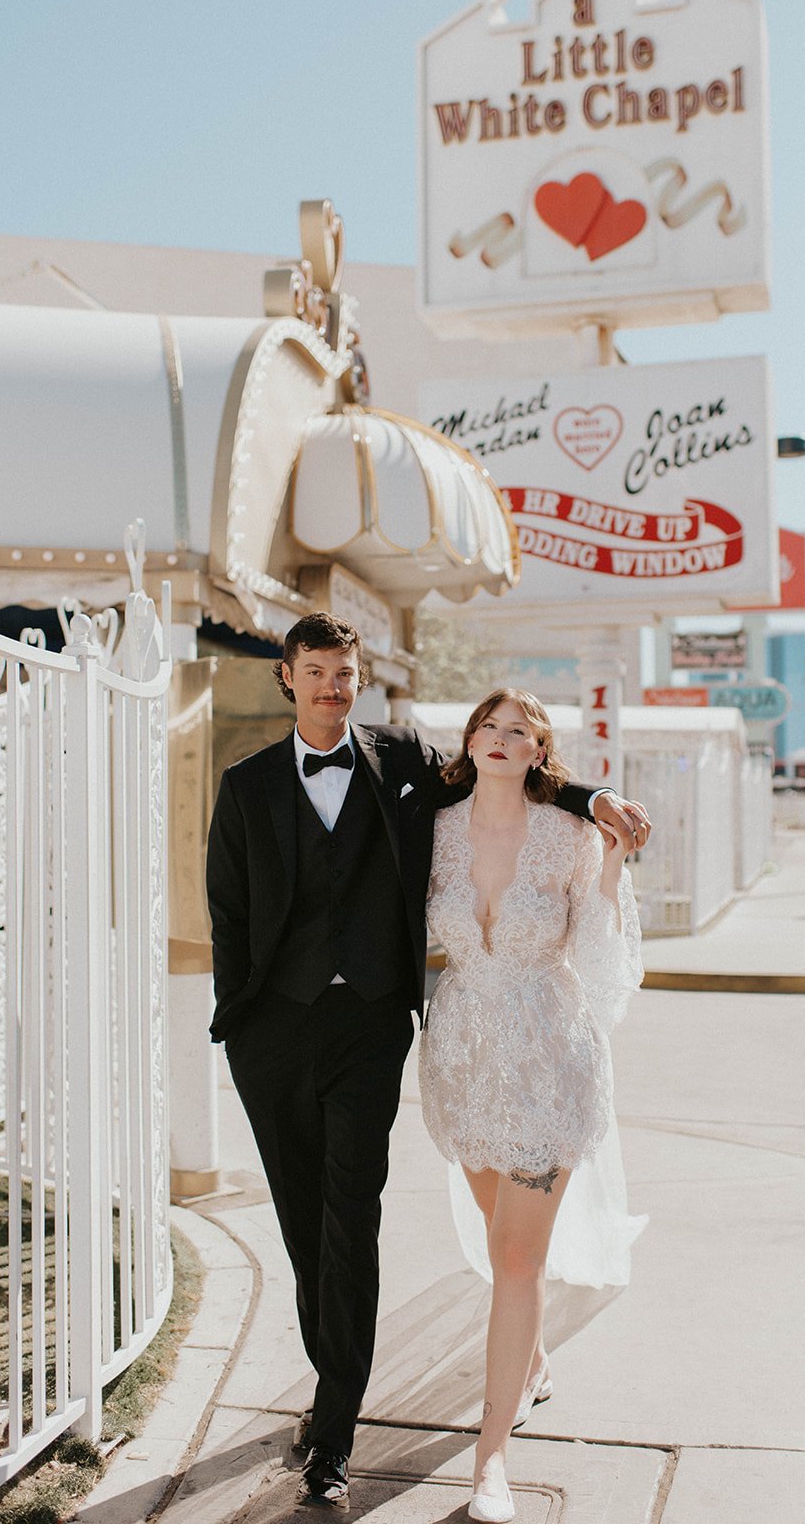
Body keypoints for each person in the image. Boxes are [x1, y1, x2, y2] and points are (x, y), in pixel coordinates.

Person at [205, 613, 651, 1509]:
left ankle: (335, 1430)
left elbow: (513, 774)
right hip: (278, 1037)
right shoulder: (246, 784)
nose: (333, 684)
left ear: (360, 678)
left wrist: (592, 798)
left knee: (350, 1218)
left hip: (374, 1030)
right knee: (304, 1225)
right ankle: (385, 1378)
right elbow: (228, 908)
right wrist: (242, 1023)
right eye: (315, 669)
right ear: (287, 678)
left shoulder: (399, 757)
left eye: (346, 670)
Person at [419, 689, 645, 1523]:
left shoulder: (570, 836)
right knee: (501, 1231)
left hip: (551, 1062)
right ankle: (534, 1357)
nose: (503, 738)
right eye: (491, 725)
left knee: (515, 1260)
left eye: (522, 730)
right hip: (462, 1062)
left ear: (541, 751)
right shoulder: (434, 830)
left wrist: (611, 868)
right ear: (471, 739)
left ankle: (491, 1462)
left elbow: (597, 962)